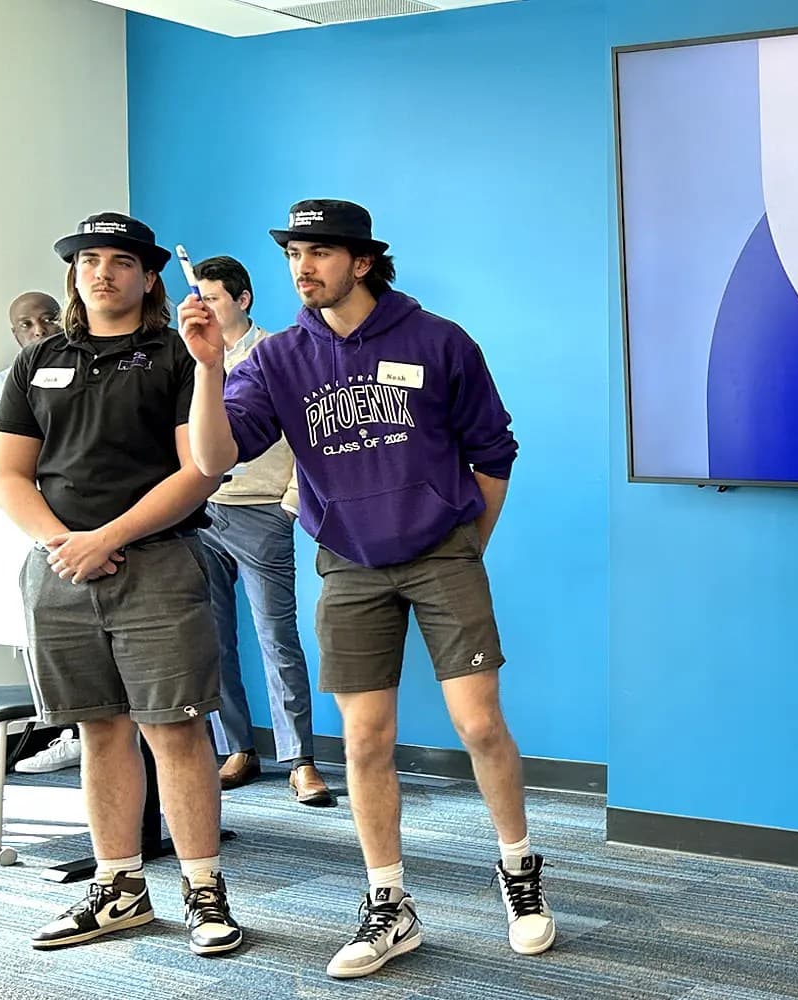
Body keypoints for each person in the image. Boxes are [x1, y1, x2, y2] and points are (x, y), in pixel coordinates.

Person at [179, 199, 554, 978]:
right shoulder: (280, 358)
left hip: (442, 552)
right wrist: (210, 369)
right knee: (364, 740)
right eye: (293, 254)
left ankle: (519, 871)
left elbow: (494, 452)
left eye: (319, 252)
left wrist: (466, 547)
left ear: (363, 261)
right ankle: (390, 903)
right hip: (348, 561)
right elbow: (213, 459)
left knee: (479, 724)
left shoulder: (438, 340)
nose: (303, 267)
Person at [0, 213, 243, 955]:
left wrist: (109, 537)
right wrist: (65, 544)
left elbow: (201, 470)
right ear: (74, 274)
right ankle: (119, 889)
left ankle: (204, 893)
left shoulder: (176, 354)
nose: (102, 272)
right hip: (59, 569)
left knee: (174, 729)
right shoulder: (38, 361)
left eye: (121, 261)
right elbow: (10, 476)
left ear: (149, 276)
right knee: (98, 729)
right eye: (89, 260)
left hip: (156, 563)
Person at [189, 254, 328, 806]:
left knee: (277, 638)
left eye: (213, 299)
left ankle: (300, 761)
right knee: (212, 641)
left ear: (242, 299)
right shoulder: (191, 359)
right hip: (200, 513)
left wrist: (290, 505)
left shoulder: (277, 355)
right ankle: (238, 749)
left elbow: (310, 435)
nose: (204, 309)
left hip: (262, 511)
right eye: (197, 300)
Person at [0, 292, 61, 458]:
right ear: (15, 334)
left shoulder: (87, 370)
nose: (39, 331)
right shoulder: (0, 384)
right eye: (26, 324)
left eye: (48, 320)